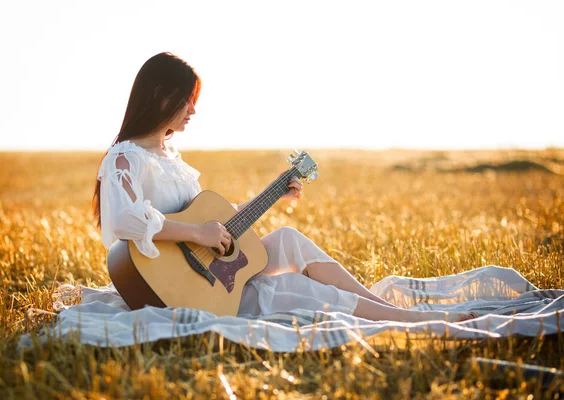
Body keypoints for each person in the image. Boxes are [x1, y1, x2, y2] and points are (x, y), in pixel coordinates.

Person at [93, 52, 477, 323]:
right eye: (186, 101)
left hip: (209, 269)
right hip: (188, 289)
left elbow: (216, 223)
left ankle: (390, 309)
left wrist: (274, 194)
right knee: (300, 288)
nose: (193, 111)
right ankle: (408, 320)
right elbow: (125, 222)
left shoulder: (169, 156)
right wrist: (199, 232)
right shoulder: (125, 159)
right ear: (160, 95)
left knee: (290, 239)